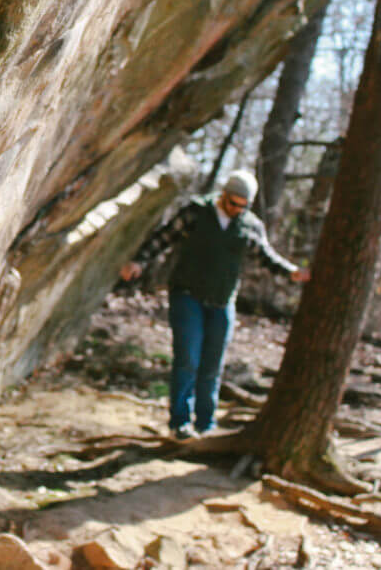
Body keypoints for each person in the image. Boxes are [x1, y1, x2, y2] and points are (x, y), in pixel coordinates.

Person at [119, 170, 310, 440]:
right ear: (223, 195)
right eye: (233, 203)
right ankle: (180, 423)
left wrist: (291, 271)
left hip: (222, 302)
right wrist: (139, 261)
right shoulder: (197, 212)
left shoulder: (250, 225)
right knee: (187, 359)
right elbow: (163, 238)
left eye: (243, 206)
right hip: (187, 296)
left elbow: (265, 256)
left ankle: (205, 425)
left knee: (212, 366)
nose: (237, 210)